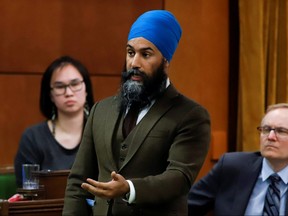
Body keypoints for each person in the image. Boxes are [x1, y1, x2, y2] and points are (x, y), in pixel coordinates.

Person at [63, 10, 211, 216]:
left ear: (166, 60)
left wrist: (130, 189)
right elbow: (78, 182)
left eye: (146, 54)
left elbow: (179, 177)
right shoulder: (101, 110)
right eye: (131, 53)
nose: (134, 63)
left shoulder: (190, 115)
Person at [188, 103, 288, 216]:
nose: (270, 137)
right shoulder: (232, 166)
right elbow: (184, 207)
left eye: (281, 131)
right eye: (266, 129)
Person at [14, 56, 94, 187]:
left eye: (75, 84)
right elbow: (26, 189)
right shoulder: (33, 138)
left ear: (86, 89)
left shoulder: (100, 133)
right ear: (50, 95)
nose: (68, 92)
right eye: (59, 86)